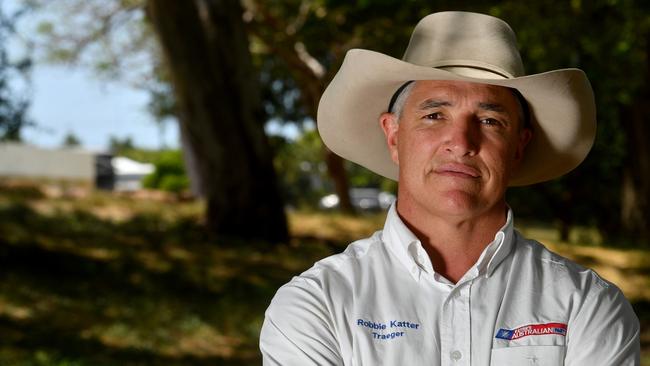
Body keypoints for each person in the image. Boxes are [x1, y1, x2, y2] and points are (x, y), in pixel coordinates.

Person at [260, 11, 640, 365]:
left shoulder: (587, 306)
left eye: (490, 120)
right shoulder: (317, 304)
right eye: (434, 115)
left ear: (519, 147)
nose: (461, 142)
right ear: (393, 135)